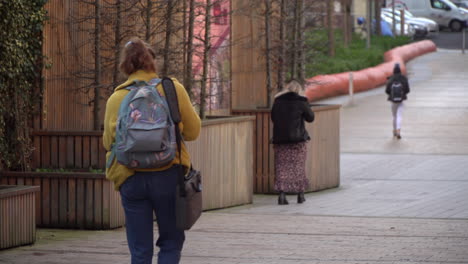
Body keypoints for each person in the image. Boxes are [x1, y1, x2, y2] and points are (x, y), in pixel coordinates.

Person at [103, 37, 201, 264]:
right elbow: (193, 132)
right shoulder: (172, 89)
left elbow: (109, 142)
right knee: (171, 241)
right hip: (169, 175)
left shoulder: (117, 97)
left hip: (131, 177)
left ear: (125, 65)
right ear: (152, 62)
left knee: (139, 250)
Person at [271, 80, 315, 205]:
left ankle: (282, 195)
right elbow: (310, 118)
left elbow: (273, 118)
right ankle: (300, 195)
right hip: (298, 140)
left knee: (282, 167)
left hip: (280, 140)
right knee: (298, 166)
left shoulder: (277, 102)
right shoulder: (301, 101)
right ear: (299, 90)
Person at [385, 63, 410, 139]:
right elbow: (408, 90)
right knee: (399, 115)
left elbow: (387, 90)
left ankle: (394, 131)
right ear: (400, 70)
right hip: (401, 100)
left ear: (394, 70)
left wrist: (392, 95)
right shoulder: (404, 78)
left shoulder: (390, 78)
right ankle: (398, 130)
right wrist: (402, 94)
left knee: (394, 116)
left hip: (393, 100)